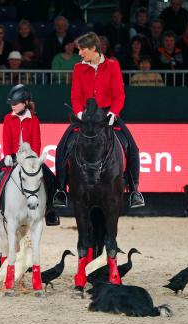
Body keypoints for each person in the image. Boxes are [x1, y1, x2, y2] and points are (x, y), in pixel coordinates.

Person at [53, 32, 145, 209]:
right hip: (85, 116)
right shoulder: (79, 68)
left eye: (82, 50)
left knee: (133, 147)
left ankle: (134, 191)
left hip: (107, 115)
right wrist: (79, 113)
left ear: (93, 49)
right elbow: (76, 95)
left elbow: (119, 94)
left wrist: (113, 113)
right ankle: (61, 190)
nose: (79, 53)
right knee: (61, 148)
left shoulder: (112, 66)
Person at [0, 84, 60, 226]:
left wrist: (32, 160)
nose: (12, 106)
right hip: (13, 157)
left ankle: (51, 210)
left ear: (26, 103)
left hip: (30, 159)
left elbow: (36, 143)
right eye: (11, 104)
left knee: (50, 178)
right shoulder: (8, 118)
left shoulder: (34, 120)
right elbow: (6, 139)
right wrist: (8, 155)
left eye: (15, 104)